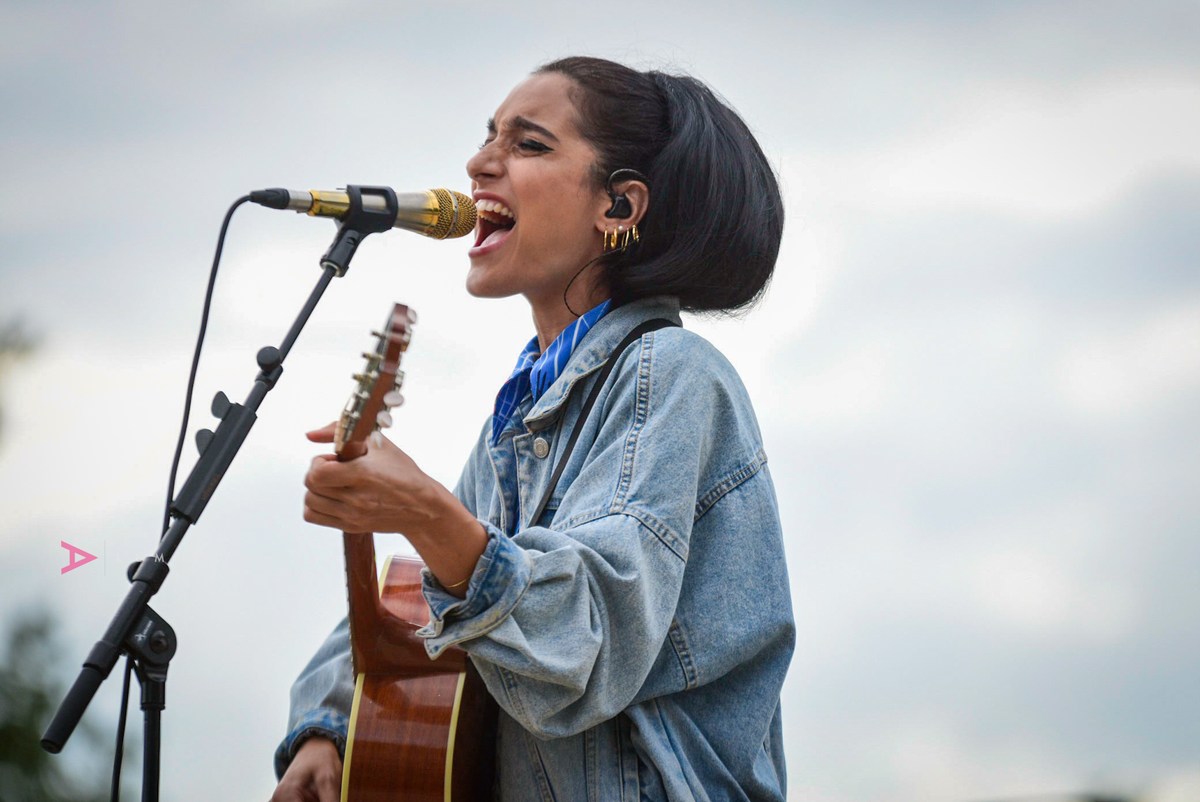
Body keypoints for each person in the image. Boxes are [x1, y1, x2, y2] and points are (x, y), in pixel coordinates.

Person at [270, 56, 794, 801]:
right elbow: (417, 613)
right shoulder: (514, 423)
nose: (478, 163)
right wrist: (326, 731)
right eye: (489, 137)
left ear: (619, 208)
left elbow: (580, 647)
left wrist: (423, 510)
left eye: (528, 144)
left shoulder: (672, 375)